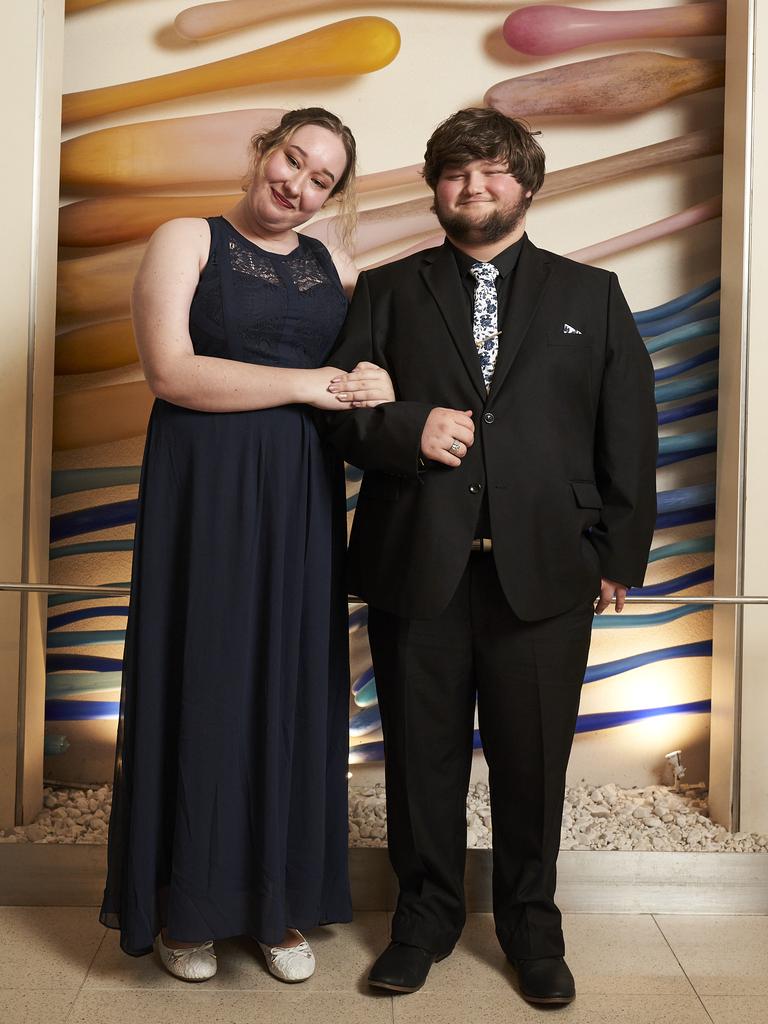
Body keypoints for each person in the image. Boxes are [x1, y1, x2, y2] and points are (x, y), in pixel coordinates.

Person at [323, 108, 657, 1006]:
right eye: (456, 173)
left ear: (527, 183)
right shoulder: (387, 293)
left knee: (532, 760)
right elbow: (336, 410)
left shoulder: (593, 294)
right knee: (420, 758)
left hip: (548, 572)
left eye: (494, 172)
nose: (475, 188)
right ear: (436, 188)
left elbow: (625, 429)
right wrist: (403, 429)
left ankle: (531, 928)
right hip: (415, 567)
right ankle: (422, 923)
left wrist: (620, 552)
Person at [100, 108, 395, 984]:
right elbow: (171, 372)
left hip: (301, 494)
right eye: (291, 159)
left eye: (320, 180)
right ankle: (187, 907)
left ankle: (276, 904)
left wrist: (373, 380)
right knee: (206, 677)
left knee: (291, 684)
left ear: (332, 196)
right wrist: (315, 383)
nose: (296, 184)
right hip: (205, 489)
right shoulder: (186, 237)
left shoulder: (335, 267)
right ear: (262, 151)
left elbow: (368, 376)